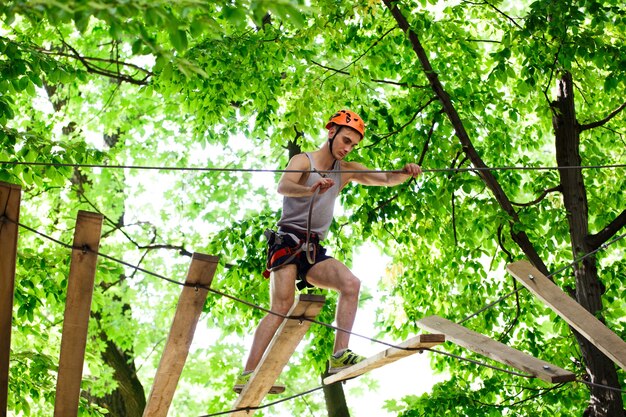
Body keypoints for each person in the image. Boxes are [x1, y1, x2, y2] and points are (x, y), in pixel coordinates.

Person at [235, 109, 422, 393]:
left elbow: (383, 178)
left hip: (312, 250)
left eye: (353, 145)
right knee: (281, 307)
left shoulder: (345, 170)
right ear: (331, 132)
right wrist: (311, 190)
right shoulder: (303, 160)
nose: (347, 148)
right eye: (345, 140)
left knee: (351, 284)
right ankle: (248, 374)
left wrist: (405, 173)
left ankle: (339, 356)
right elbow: (283, 186)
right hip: (286, 243)